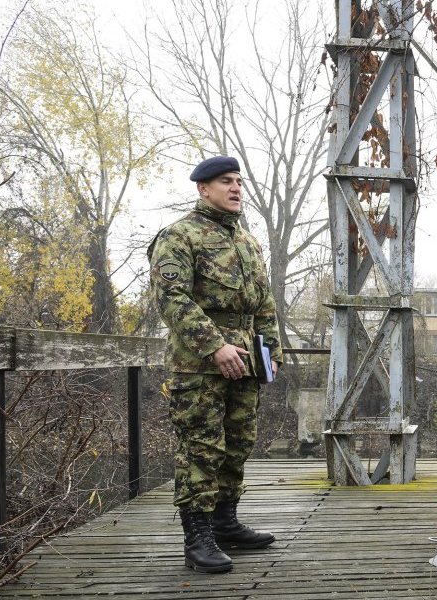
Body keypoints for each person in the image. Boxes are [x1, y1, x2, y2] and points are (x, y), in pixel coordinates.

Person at [149, 156, 281, 574]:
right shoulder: (179, 236)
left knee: (238, 444)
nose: (236, 188)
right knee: (201, 448)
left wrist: (272, 352)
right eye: (226, 181)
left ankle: (225, 523)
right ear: (203, 189)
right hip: (199, 364)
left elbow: (263, 303)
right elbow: (172, 299)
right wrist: (214, 345)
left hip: (245, 362)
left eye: (239, 182)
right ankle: (198, 538)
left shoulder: (247, 241)